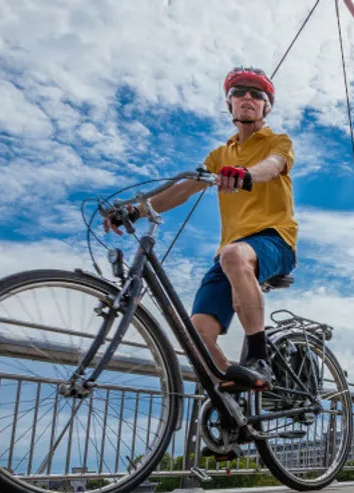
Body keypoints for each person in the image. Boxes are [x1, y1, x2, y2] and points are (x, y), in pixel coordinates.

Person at [104, 66, 296, 391]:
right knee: (195, 336)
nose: (247, 97)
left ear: (266, 106)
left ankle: (259, 357)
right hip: (229, 254)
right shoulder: (220, 154)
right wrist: (136, 210)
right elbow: (184, 188)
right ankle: (237, 396)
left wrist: (245, 174)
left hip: (274, 240)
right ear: (229, 105)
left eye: (257, 94)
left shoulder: (278, 141)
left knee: (234, 256)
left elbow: (271, 167)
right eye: (239, 93)